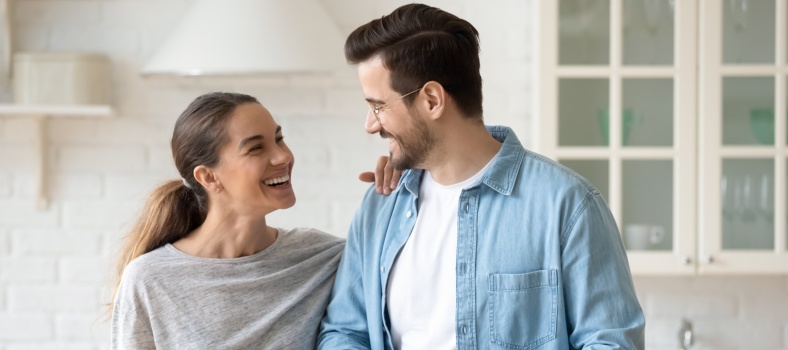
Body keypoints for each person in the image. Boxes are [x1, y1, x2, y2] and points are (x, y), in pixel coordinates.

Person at [318, 4, 645, 350]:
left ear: (432, 100)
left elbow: (611, 342)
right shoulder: (381, 205)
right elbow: (343, 332)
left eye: (378, 106)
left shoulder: (566, 205)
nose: (370, 124)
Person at [108, 92, 395, 349]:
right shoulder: (150, 279)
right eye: (256, 148)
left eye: (279, 139)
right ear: (208, 177)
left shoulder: (321, 257)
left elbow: (391, 259)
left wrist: (398, 181)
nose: (282, 156)